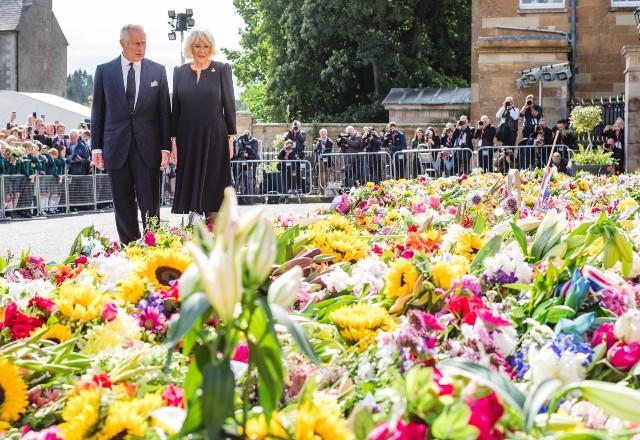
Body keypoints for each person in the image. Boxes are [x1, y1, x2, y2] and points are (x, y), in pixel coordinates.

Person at [91, 24, 171, 244]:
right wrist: (96, 147)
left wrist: (166, 146)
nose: (142, 47)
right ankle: (129, 250)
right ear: (122, 44)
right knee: (123, 205)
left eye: (144, 42)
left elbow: (165, 113)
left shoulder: (158, 71)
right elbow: (98, 111)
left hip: (148, 149)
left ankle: (153, 248)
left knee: (150, 204)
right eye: (137, 43)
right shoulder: (104, 71)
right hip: (115, 148)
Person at [170, 29, 236, 223]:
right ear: (190, 47)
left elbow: (229, 105)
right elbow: (176, 109)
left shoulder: (222, 69)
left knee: (213, 184)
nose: (201, 51)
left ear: (211, 48)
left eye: (206, 46)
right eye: (197, 46)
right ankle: (195, 229)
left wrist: (230, 137)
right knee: (192, 184)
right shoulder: (179, 72)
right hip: (187, 136)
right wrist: (173, 141)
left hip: (215, 135)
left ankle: (215, 229)